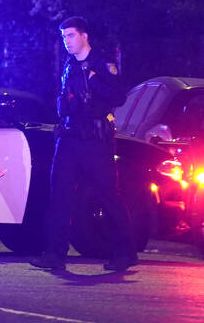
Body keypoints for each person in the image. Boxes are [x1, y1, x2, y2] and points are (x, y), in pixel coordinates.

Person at [29, 16, 138, 272]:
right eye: (64, 37)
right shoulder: (69, 65)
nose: (66, 41)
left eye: (71, 36)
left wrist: (94, 80)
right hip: (69, 138)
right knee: (59, 196)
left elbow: (118, 97)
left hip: (95, 142)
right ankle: (54, 254)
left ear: (84, 36)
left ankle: (126, 253)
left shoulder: (102, 63)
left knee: (107, 196)